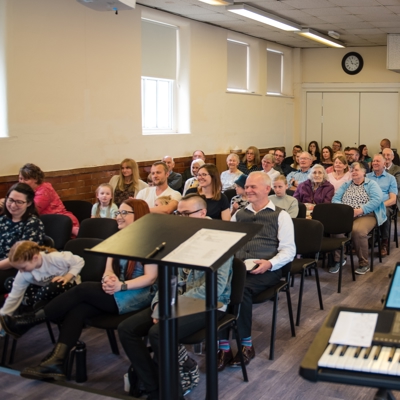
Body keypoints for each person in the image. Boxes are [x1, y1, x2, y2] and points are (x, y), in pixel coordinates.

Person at [0, 199, 158, 381]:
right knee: (78, 310)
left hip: (137, 293)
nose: (118, 217)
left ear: (138, 215)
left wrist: (120, 285)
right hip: (116, 289)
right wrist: (109, 278)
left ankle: (29, 321)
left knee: (83, 289)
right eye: (118, 213)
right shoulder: (117, 237)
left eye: (124, 213)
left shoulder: (148, 240)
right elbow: (108, 268)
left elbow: (150, 277)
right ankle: (56, 362)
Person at [117, 194, 233, 399]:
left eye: (187, 214)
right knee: (126, 329)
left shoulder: (221, 240)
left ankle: (173, 393)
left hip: (209, 304)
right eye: (179, 213)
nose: (181, 218)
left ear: (203, 213)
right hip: (174, 300)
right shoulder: (181, 237)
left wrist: (171, 307)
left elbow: (214, 288)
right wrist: (159, 304)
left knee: (159, 332)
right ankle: (154, 386)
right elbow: (167, 279)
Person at [224, 172, 295, 367]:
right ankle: (223, 346)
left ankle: (246, 344)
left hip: (266, 269)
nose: (248, 190)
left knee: (240, 290)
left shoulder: (281, 215)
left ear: (267, 189)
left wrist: (270, 263)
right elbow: (228, 242)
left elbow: (289, 250)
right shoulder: (239, 214)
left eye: (253, 187)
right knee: (218, 287)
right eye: (247, 187)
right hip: (238, 267)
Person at [0, 241, 83, 318]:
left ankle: (29, 302)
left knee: (54, 286)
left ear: (35, 258)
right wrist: (3, 317)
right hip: (44, 289)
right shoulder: (24, 272)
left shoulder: (55, 257)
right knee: (11, 282)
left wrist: (67, 277)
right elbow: (14, 296)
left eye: (23, 267)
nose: (21, 271)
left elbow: (79, 261)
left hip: (67, 286)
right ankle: (31, 302)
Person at [331, 162, 386, 275]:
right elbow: (335, 199)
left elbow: (377, 200)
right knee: (335, 228)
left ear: (364, 172)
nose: (353, 172)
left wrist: (360, 210)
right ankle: (339, 259)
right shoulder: (346, 184)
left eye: (356, 170)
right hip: (347, 214)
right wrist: (345, 209)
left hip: (367, 214)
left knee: (358, 231)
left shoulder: (371, 184)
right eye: (351, 170)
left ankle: (363, 263)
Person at [0, 183, 45, 300]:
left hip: (17, 269)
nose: (13, 205)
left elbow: (22, 256)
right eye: (10, 200)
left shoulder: (33, 223)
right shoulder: (2, 219)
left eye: (19, 202)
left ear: (29, 203)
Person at [18, 164, 79, 237]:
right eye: (20, 179)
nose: (22, 182)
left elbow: (33, 210)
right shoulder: (25, 190)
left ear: (36, 179)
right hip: (46, 222)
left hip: (60, 222)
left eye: (26, 179)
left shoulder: (45, 189)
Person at [367, 154, 398, 257]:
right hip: (368, 205)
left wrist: (378, 205)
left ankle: (384, 242)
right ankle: (363, 239)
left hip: (385, 205)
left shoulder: (391, 178)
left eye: (378, 161)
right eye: (374, 161)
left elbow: (393, 200)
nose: (374, 163)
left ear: (384, 164)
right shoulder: (367, 177)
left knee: (383, 211)